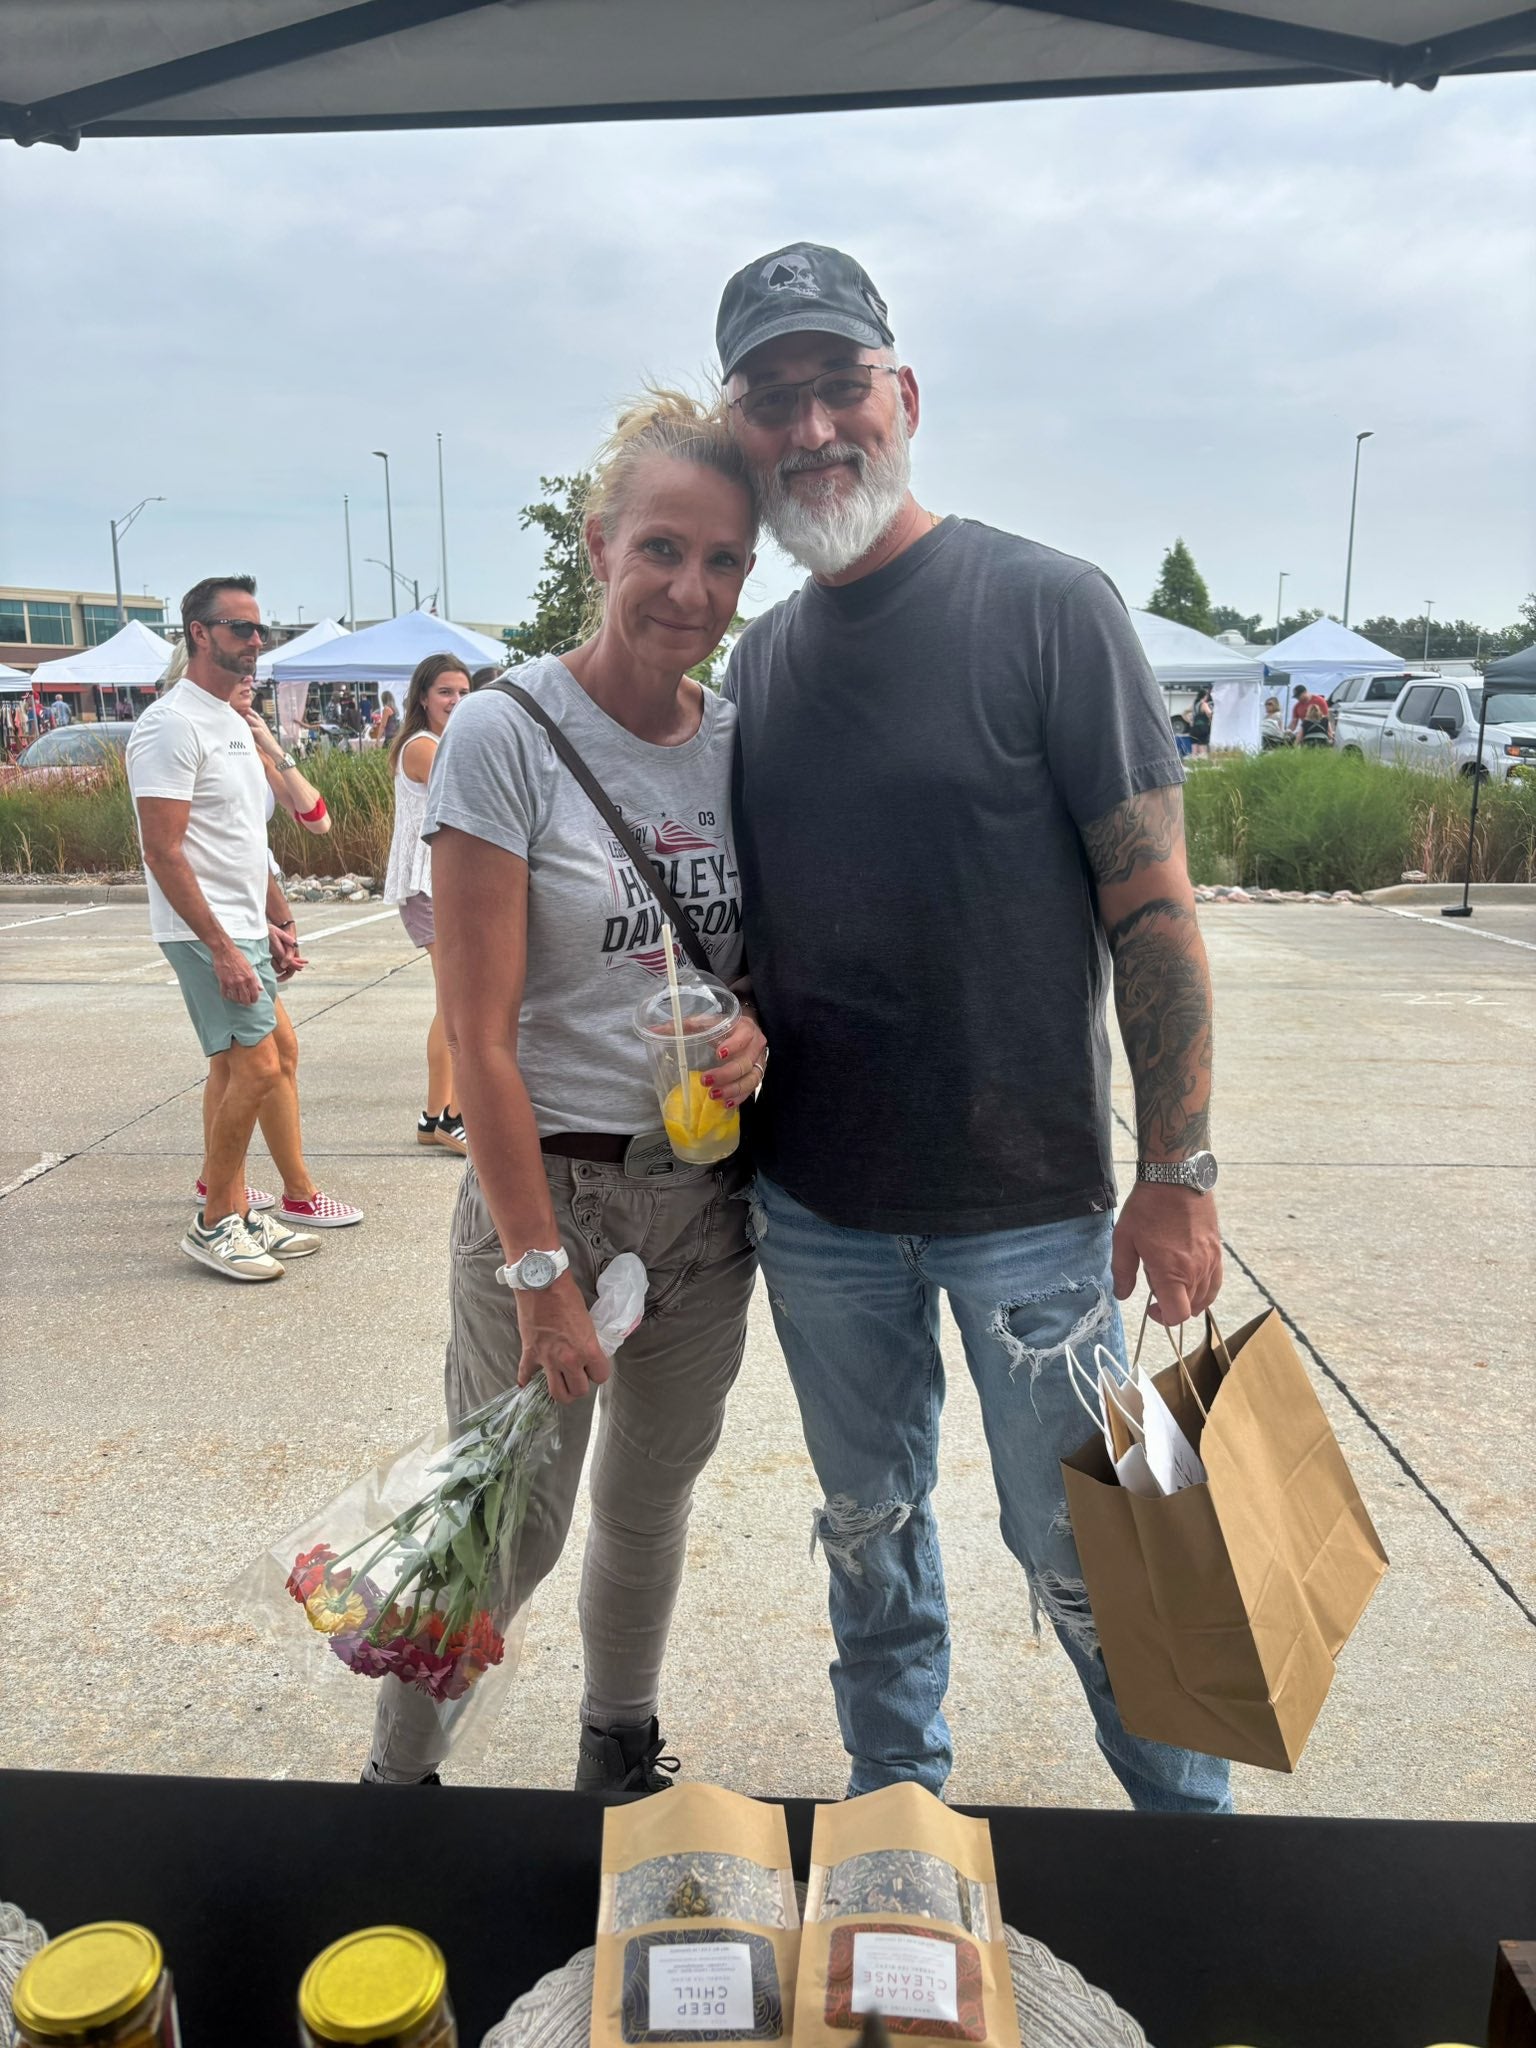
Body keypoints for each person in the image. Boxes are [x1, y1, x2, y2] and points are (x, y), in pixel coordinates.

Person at [717, 243, 1230, 1814]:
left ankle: (1193, 1844)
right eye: (774, 398)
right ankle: (897, 1819)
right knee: (869, 1538)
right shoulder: (765, 660)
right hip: (816, 1213)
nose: (812, 428)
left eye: (839, 386)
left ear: (905, 396)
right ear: (745, 432)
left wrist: (1184, 1167)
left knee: (1100, 1552)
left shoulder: (1050, 608)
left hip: (1032, 1212)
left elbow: (1153, 908)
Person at [363, 390, 768, 1791]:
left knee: (649, 1503)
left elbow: (759, 962)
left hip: (703, 1209)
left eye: (724, 561)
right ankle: (396, 1780)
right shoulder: (508, 734)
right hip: (552, 1201)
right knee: (506, 1520)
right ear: (598, 546)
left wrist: (754, 1034)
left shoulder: (739, 739)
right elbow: (474, 1038)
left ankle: (617, 1743)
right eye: (662, 547)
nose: (691, 589)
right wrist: (537, 1271)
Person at [126, 576, 321, 1281]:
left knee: (258, 1063)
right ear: (200, 634)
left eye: (259, 629)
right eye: (241, 629)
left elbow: (237, 841)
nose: (257, 642)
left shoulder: (230, 723)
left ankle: (235, 1208)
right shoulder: (170, 725)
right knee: (258, 1067)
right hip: (202, 932)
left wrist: (269, 923)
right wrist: (220, 945)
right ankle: (214, 1223)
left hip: (239, 927)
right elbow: (163, 850)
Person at [383, 653, 473, 1155]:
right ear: (422, 697)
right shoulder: (423, 746)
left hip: (441, 886)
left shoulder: (439, 741)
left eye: (463, 693)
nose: (456, 701)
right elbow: (470, 790)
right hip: (428, 886)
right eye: (445, 692)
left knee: (451, 1002)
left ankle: (434, 1115)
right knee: (458, 1004)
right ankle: (454, 1117)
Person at [1189, 689, 1213, 756]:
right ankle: (1203, 764)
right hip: (1202, 729)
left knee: (1194, 751)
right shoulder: (1204, 704)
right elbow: (1209, 713)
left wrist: (1190, 721)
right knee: (1203, 750)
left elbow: (1185, 713)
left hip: (1193, 729)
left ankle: (1193, 764)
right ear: (1205, 696)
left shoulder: (1194, 704)